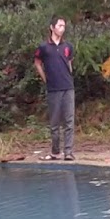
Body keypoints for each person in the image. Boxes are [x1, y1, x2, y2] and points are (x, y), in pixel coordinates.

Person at [34, 16, 75, 161]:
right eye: (59, 26)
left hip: (68, 87)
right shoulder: (44, 47)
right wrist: (45, 78)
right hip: (53, 88)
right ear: (52, 27)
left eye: (63, 26)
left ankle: (68, 152)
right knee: (55, 122)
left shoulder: (68, 46)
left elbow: (69, 62)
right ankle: (55, 151)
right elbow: (37, 62)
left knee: (69, 121)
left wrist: (69, 75)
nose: (62, 29)